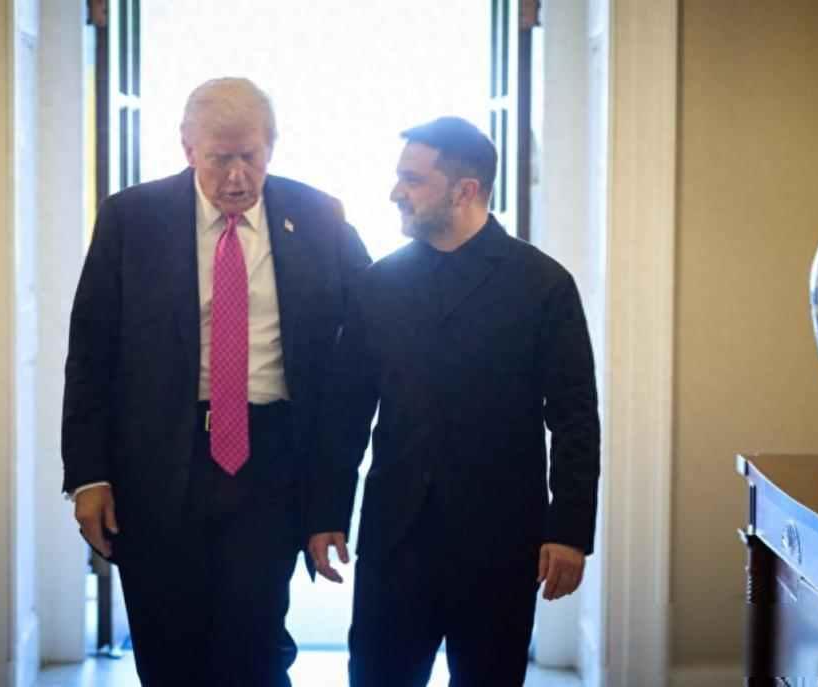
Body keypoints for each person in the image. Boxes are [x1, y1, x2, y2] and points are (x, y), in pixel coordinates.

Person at [62, 77, 370, 686]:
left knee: (254, 645)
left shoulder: (318, 216)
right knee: (167, 646)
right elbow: (91, 353)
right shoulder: (132, 219)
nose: (236, 177)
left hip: (270, 460)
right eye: (218, 158)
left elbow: (376, 317)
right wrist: (88, 476)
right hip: (157, 463)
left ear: (272, 146)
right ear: (188, 149)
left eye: (249, 157)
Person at [306, 116, 601, 687]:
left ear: (465, 190)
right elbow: (345, 412)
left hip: (503, 539)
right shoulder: (377, 285)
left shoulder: (543, 285)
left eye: (413, 180)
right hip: (396, 536)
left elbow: (574, 419)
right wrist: (325, 514)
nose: (396, 192)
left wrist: (568, 530)